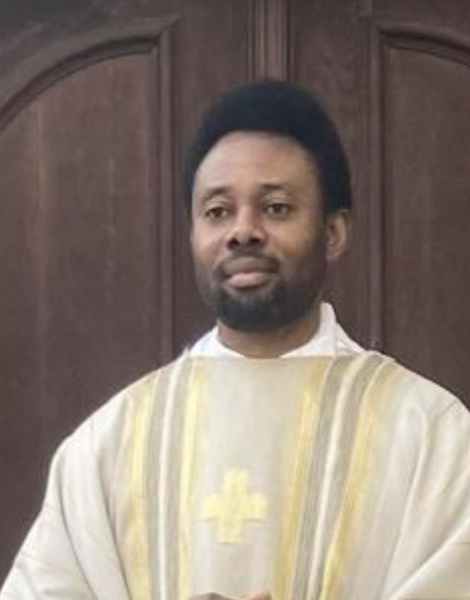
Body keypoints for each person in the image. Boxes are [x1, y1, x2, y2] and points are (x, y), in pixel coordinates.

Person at [2, 80, 470, 600]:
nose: (242, 232)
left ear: (334, 233)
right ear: (193, 234)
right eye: (217, 211)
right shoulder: (107, 444)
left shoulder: (430, 432)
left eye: (276, 207)